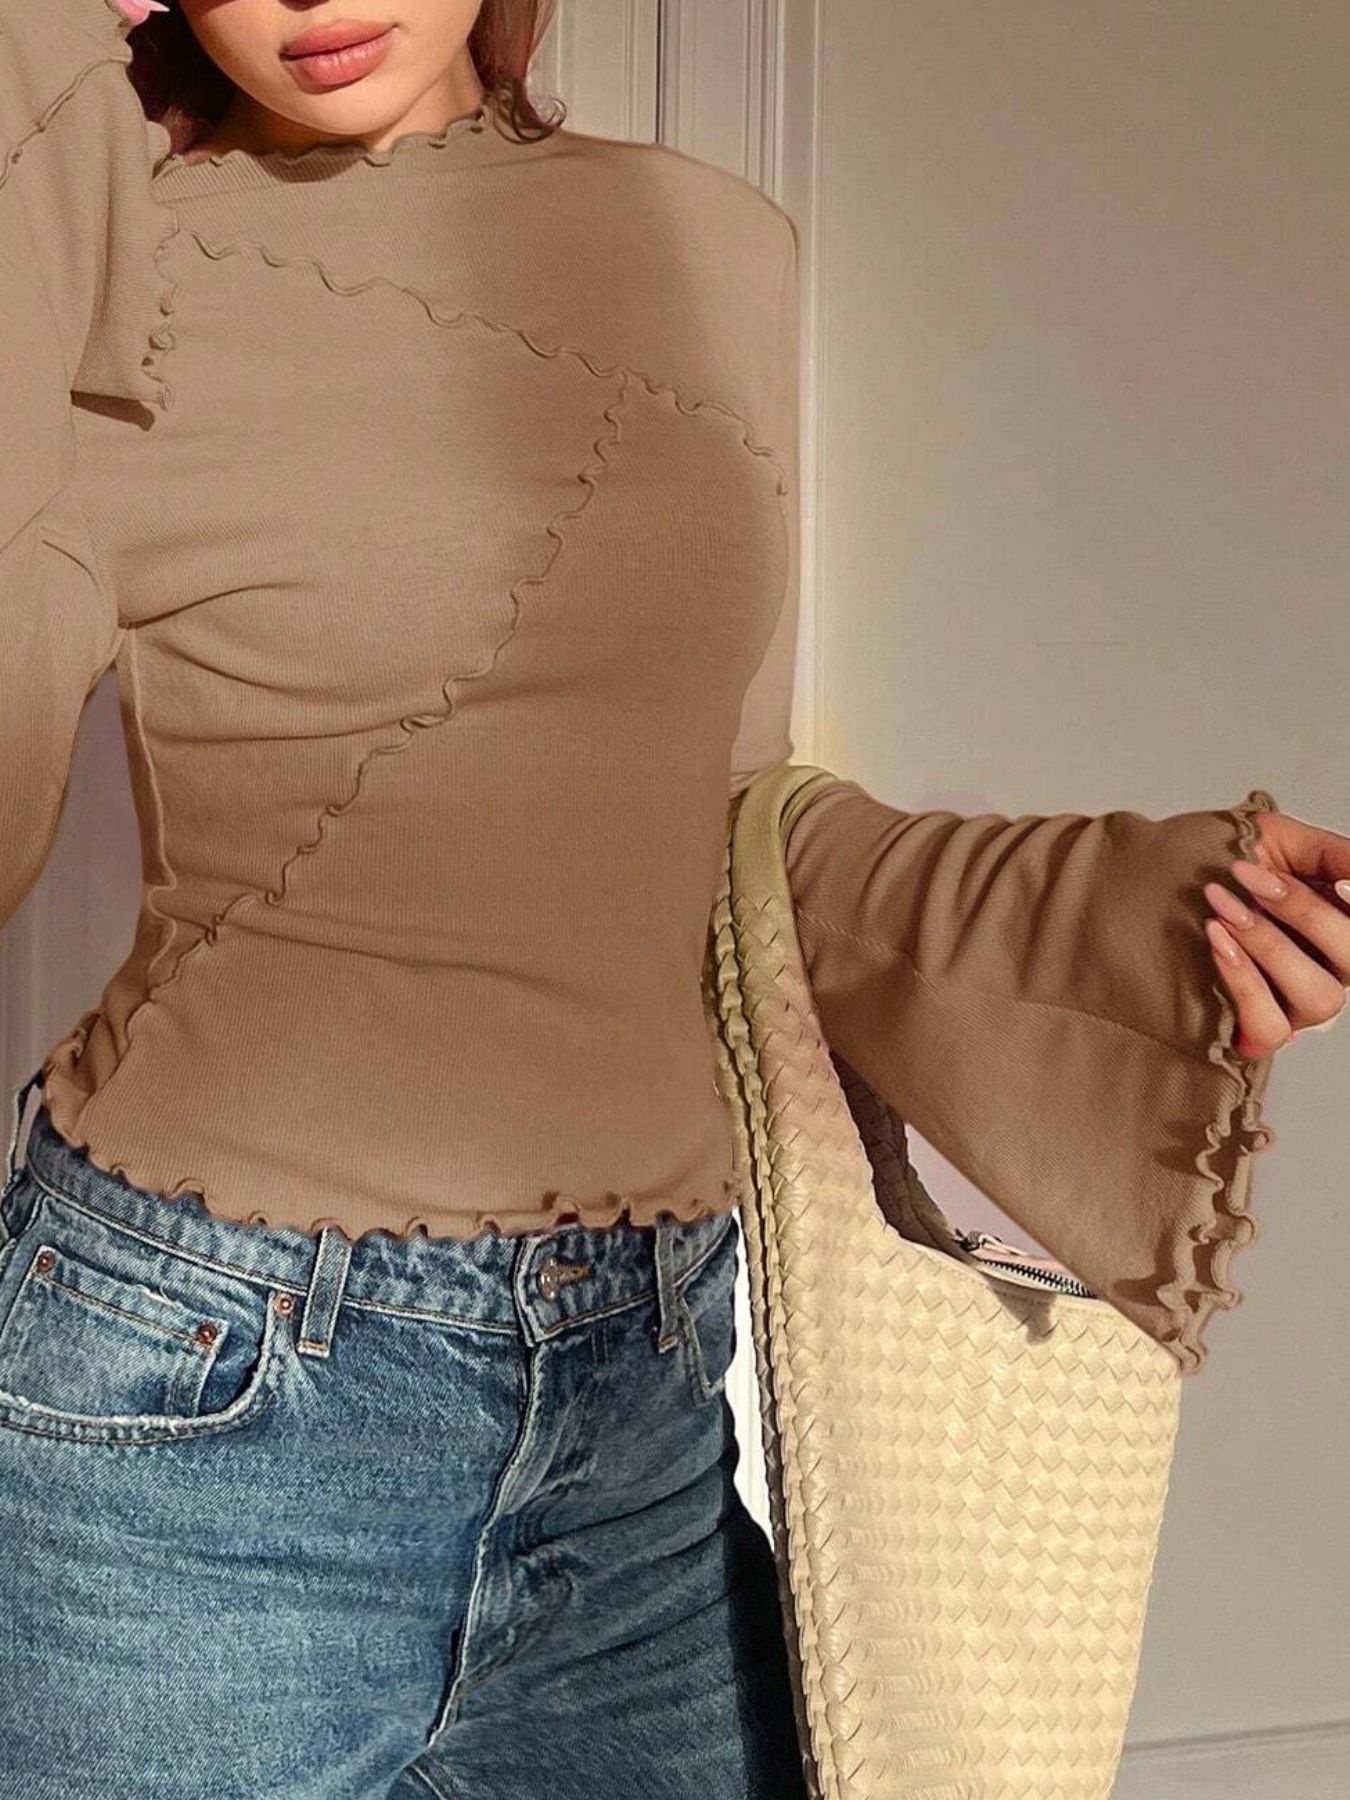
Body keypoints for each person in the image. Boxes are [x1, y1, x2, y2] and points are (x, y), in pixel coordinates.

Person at [0, 2, 1344, 1794]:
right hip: (201, 1393)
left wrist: (1141, 909)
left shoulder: (713, 242)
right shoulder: (101, 279)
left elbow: (709, 825)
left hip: (634, 1402)